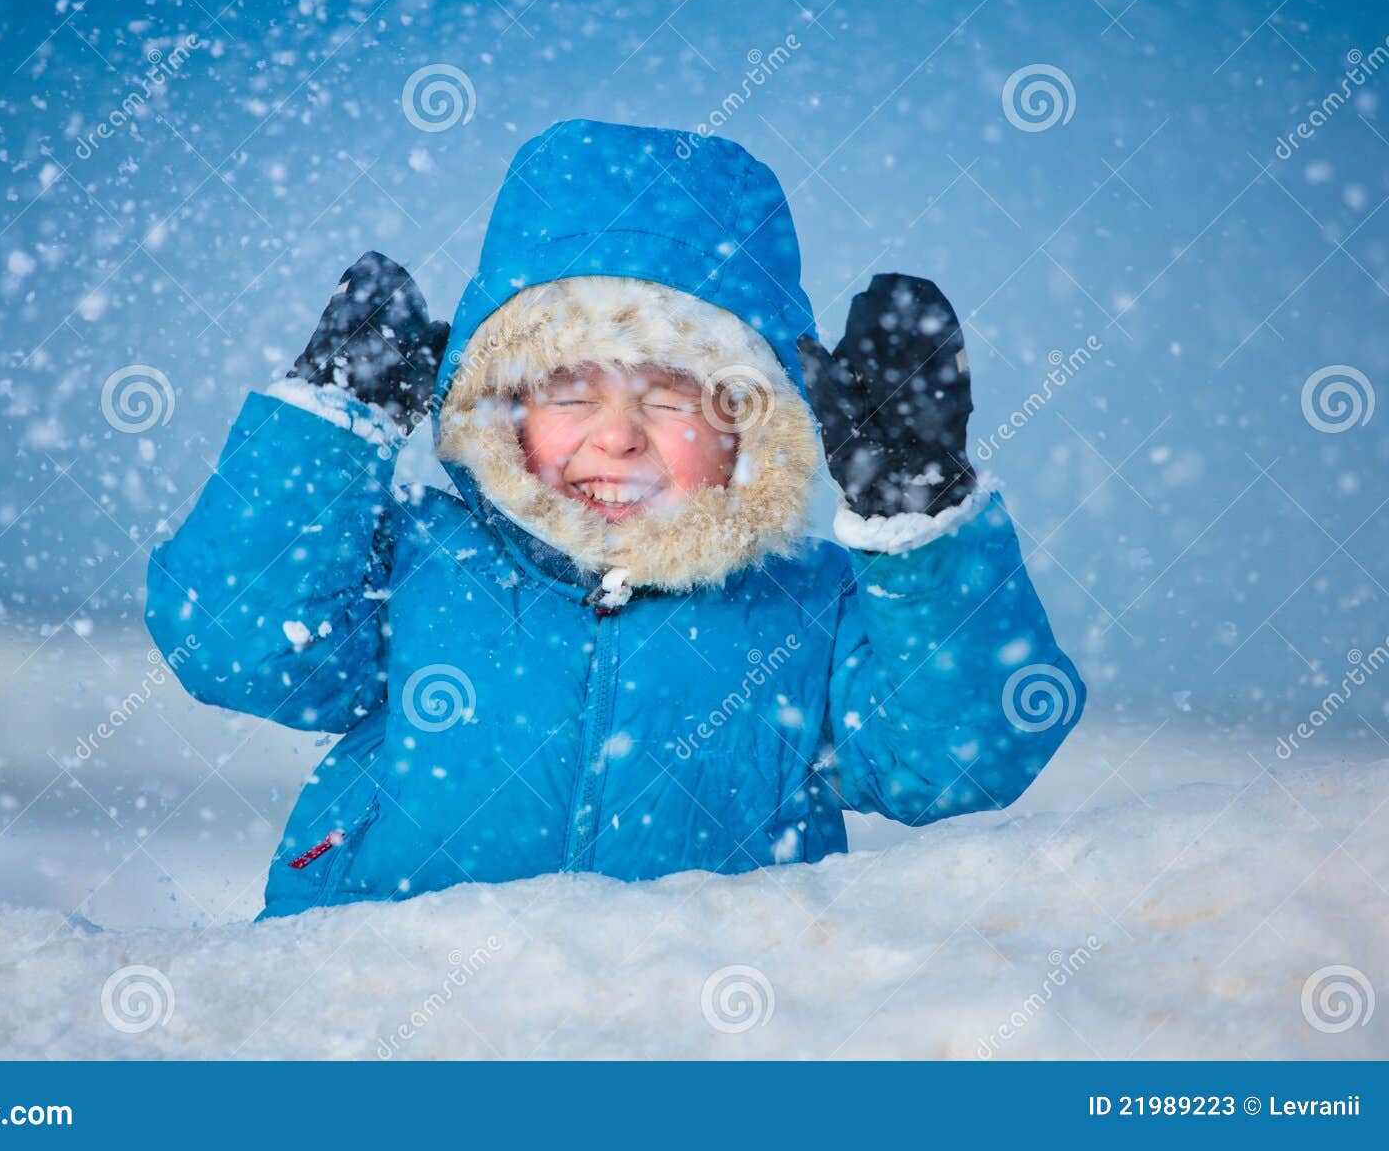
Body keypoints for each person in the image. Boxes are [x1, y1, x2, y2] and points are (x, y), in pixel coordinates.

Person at [144, 118, 1085, 920]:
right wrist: (329, 428)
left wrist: (919, 519)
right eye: (569, 391)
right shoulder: (418, 561)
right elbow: (235, 644)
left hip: (689, 1045)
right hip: (382, 1027)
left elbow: (964, 753)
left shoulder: (806, 615)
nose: (619, 437)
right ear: (500, 403)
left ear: (749, 432)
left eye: (675, 400)